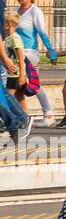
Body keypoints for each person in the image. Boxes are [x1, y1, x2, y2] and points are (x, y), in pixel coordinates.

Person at [11, 0, 56, 126]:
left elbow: (42, 32)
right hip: (16, 53)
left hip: (30, 53)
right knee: (24, 88)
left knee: (14, 86)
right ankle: (25, 117)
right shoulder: (16, 11)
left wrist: (51, 50)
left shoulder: (35, 11)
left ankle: (43, 114)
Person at [0, 14, 32, 142]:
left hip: (15, 73)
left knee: (11, 96)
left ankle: (16, 121)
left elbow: (21, 57)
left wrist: (23, 74)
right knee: (12, 96)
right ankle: (21, 119)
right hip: (9, 72)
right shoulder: (7, 39)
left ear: (8, 25)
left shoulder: (15, 39)